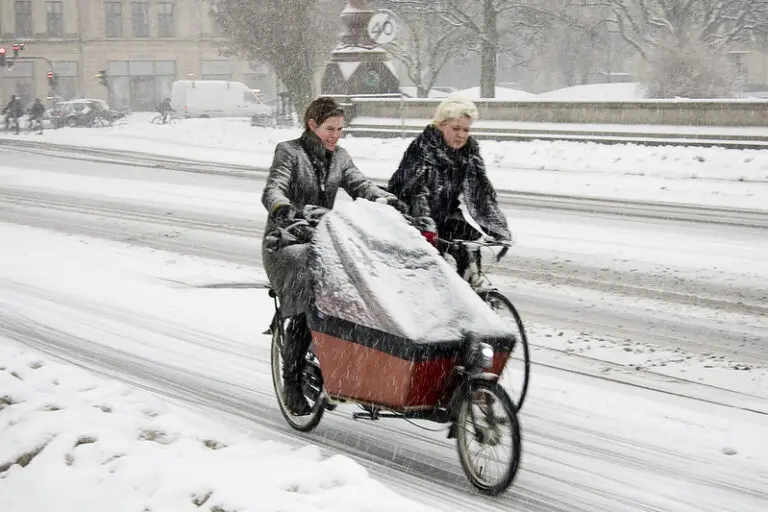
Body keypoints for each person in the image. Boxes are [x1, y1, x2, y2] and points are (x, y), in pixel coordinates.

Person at [262, 96, 401, 415]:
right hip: (286, 241)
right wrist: (283, 209)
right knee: (305, 299)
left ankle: (351, 367)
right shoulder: (289, 152)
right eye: (330, 128)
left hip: (325, 238)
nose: (336, 135)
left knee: (363, 285)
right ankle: (292, 381)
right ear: (312, 125)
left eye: (340, 129)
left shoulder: (340, 157)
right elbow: (273, 188)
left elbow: (361, 186)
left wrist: (387, 200)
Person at [388, 97, 511, 285]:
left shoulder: (468, 153)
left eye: (466, 130)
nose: (461, 135)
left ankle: (472, 288)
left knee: (468, 239)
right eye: (455, 128)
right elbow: (415, 194)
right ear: (440, 126)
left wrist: (497, 228)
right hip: (411, 218)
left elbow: (481, 193)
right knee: (430, 274)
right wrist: (426, 228)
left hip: (445, 215)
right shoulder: (423, 150)